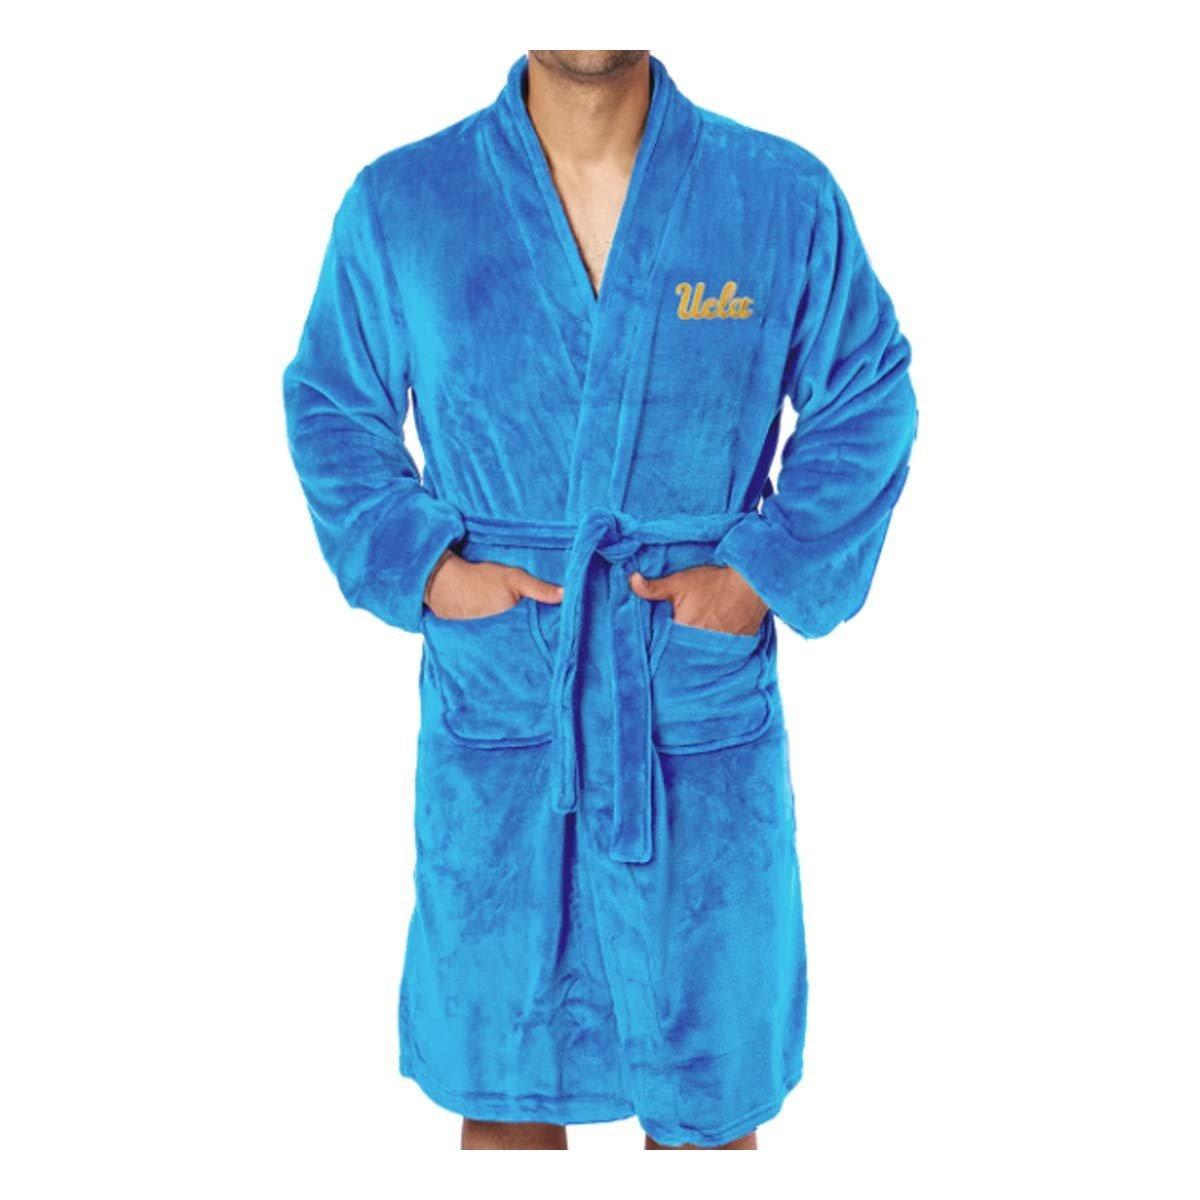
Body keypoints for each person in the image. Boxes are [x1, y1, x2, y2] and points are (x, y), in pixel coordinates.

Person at [283, 49, 917, 1151]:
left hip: (688, 713)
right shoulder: (405, 201)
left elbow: (867, 395)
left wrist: (759, 572)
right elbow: (332, 408)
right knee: (507, 1096)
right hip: (507, 709)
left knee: (707, 1109)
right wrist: (431, 569)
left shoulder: (775, 195)